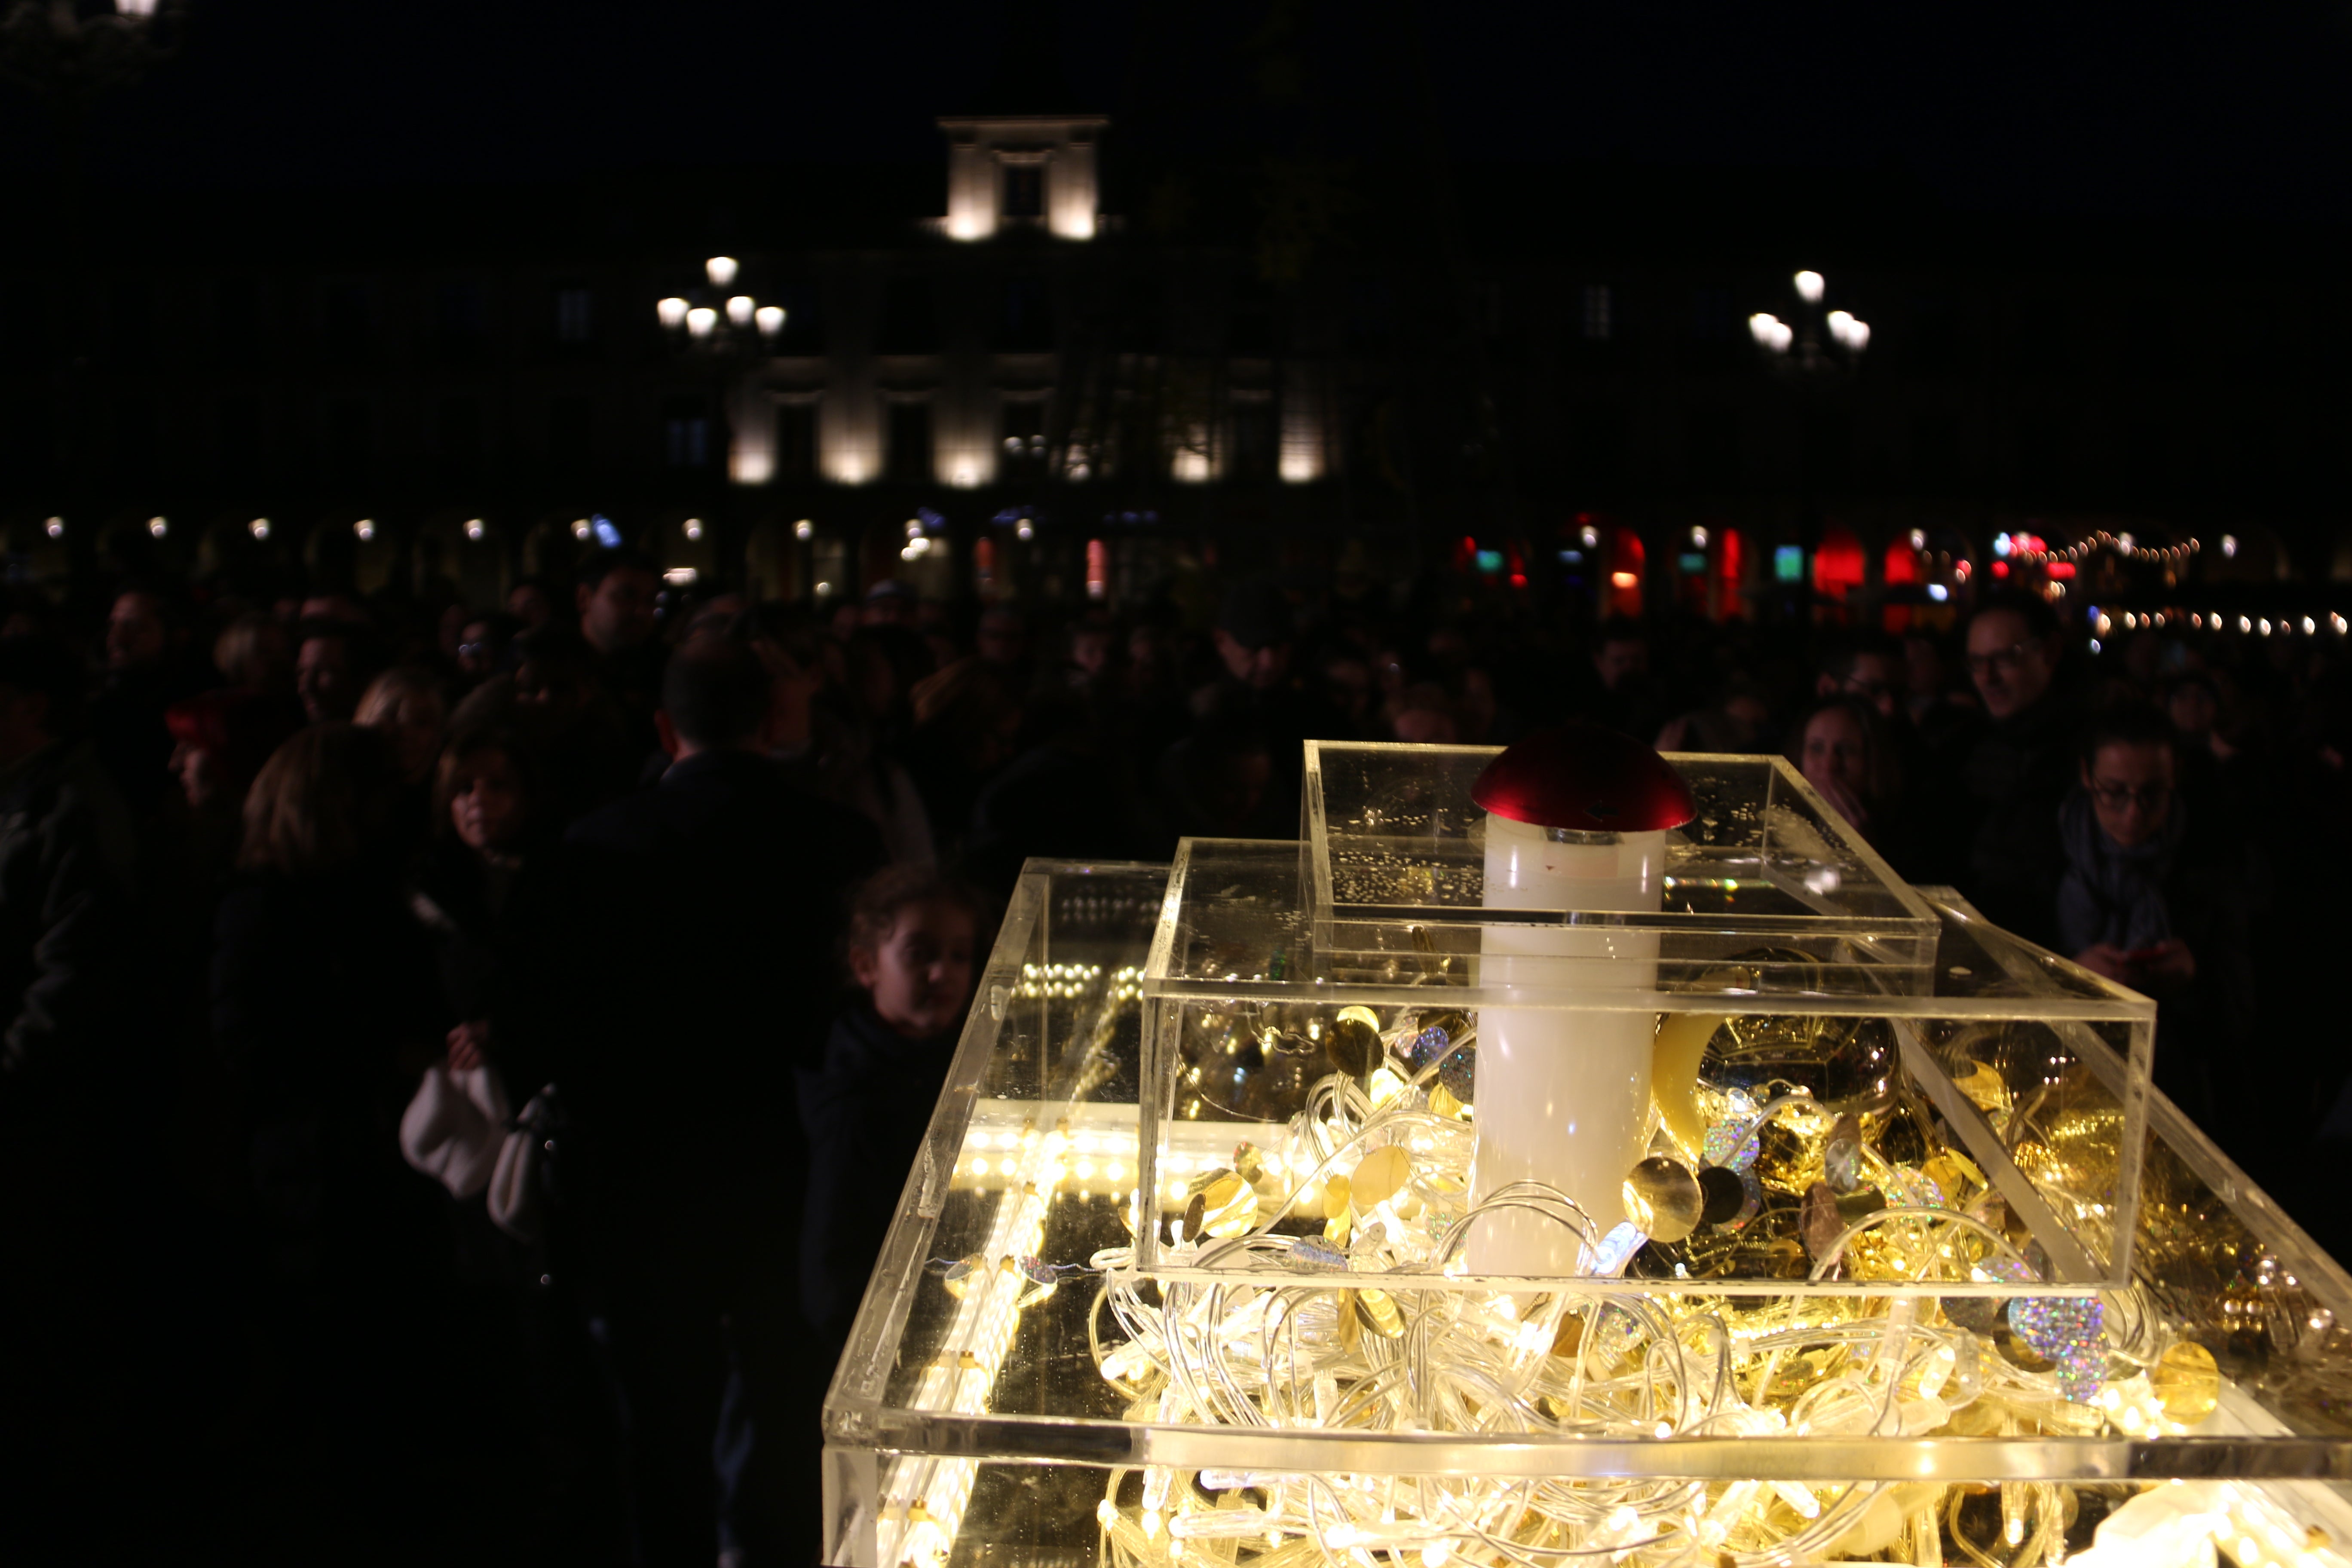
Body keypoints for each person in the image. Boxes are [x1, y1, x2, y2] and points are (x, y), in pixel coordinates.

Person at [564, 638, 885, 1564]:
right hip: (786, 1166)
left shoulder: (598, 846)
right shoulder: (838, 841)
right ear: (775, 724)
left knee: (662, 1418)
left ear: (665, 730)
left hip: (643, 1172)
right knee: (785, 1402)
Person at [797, 867, 986, 1341]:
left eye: (959, 955)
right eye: (919, 955)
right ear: (867, 967)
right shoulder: (854, 1102)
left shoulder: (950, 1057)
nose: (942, 973)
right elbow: (832, 1277)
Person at [2055, 706, 2262, 1125]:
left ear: (2175, 779)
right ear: (2087, 777)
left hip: (2177, 1101)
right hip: (2065, 1090)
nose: (2133, 814)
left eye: (2152, 794)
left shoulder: (2213, 863)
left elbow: (2243, 1018)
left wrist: (2192, 981)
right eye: (2113, 792)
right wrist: (2068, 978)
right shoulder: (2044, 856)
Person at [1955, 591, 2078, 943]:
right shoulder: (1968, 746)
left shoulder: (2087, 750)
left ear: (2050, 652)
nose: (1988, 677)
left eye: (2005, 658)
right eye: (1977, 662)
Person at [1787, 696, 1914, 873]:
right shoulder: (1776, 822)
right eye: (1816, 748)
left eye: (1846, 751)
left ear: (1872, 761)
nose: (1829, 765)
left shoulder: (1910, 836)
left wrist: (1866, 856)